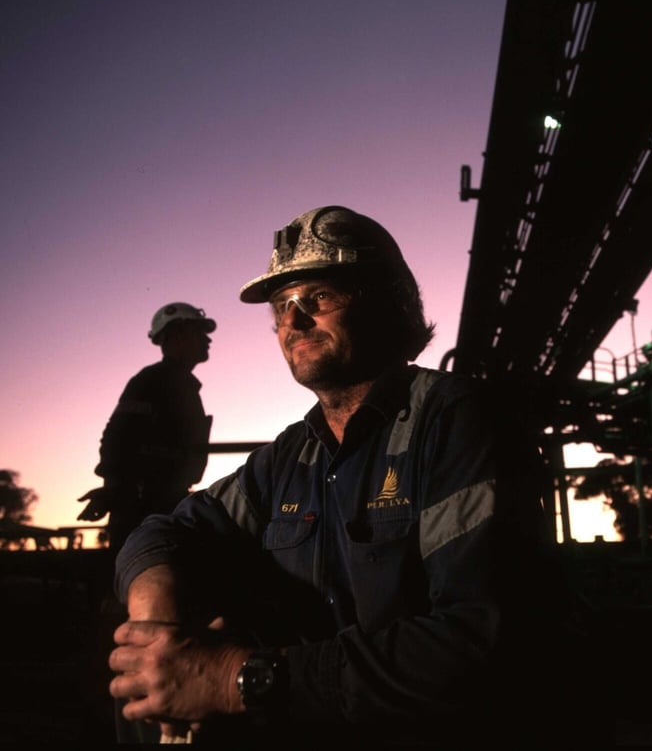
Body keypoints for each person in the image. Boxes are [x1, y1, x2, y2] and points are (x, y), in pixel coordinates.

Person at [107, 206, 569, 745]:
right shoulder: (292, 456)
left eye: (318, 299)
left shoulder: (459, 422)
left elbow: (482, 640)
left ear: (386, 304)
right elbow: (166, 530)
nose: (294, 322)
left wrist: (236, 678)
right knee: (147, 685)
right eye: (282, 307)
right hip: (317, 715)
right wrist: (157, 628)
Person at [78, 302, 216, 554]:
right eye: (199, 332)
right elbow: (116, 438)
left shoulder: (179, 384)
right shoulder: (152, 381)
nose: (207, 341)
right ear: (177, 335)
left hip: (164, 501)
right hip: (143, 507)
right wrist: (116, 490)